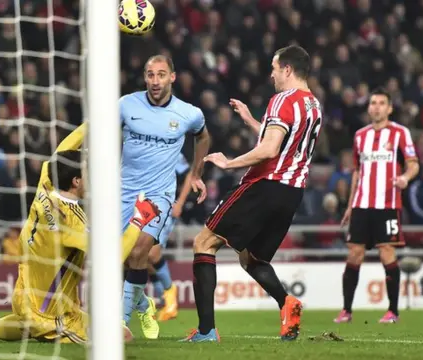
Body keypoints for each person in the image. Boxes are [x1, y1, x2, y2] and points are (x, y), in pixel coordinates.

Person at [0, 123, 161, 344]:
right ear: (76, 181)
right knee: (120, 338)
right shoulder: (71, 223)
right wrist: (138, 221)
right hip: (52, 311)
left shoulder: (47, 184)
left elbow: (62, 150)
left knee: (27, 324)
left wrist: (93, 124)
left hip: (28, 290)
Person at [182, 44, 322, 342]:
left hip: (264, 185)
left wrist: (229, 163)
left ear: (287, 69)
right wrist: (251, 120)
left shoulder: (282, 100)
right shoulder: (313, 106)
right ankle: (287, 302)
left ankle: (206, 331)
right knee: (252, 259)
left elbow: (271, 149)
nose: (272, 75)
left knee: (203, 243)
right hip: (291, 193)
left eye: (274, 69)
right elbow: (284, 142)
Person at [119, 54, 211, 339]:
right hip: (123, 192)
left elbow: (203, 137)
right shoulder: (125, 105)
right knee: (122, 259)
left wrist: (196, 173)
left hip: (158, 196)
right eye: (150, 75)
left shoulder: (189, 113)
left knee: (140, 250)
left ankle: (120, 323)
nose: (155, 81)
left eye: (160, 74)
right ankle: (142, 303)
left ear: (172, 76)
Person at [333, 88, 419, 324]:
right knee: (354, 253)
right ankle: (346, 311)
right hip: (362, 204)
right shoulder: (360, 136)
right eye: (373, 103)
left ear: (389, 108)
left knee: (387, 252)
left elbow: (413, 163)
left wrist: (405, 178)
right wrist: (350, 205)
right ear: (368, 107)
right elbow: (357, 172)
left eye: (382, 103)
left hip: (387, 204)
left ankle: (393, 311)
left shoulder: (401, 133)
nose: (377, 107)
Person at [149, 153, 192, 321]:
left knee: (151, 254)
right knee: (139, 256)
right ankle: (166, 298)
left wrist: (180, 203)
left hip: (163, 208)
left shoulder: (169, 147)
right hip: (140, 206)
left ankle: (168, 296)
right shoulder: (134, 142)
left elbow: (189, 174)